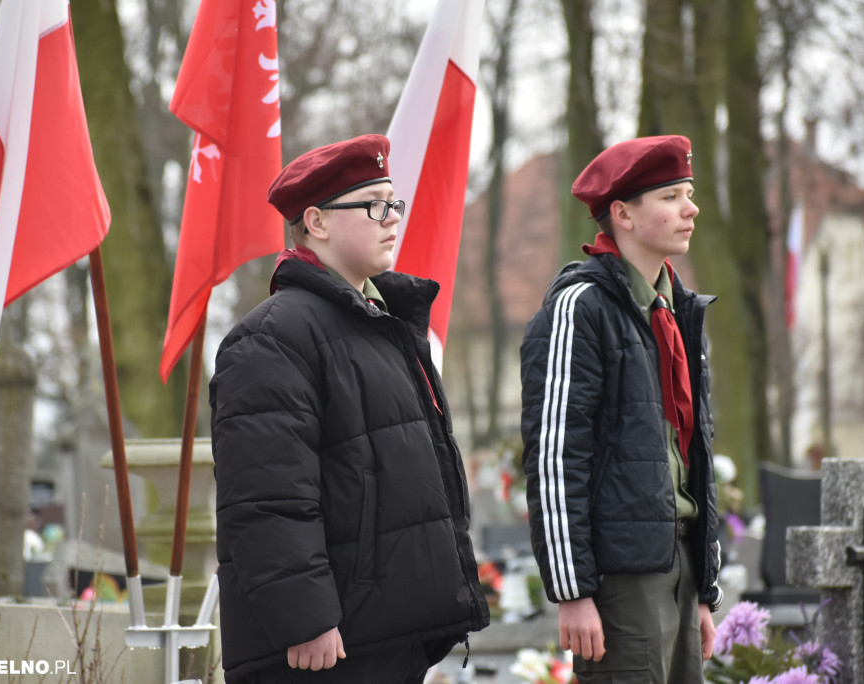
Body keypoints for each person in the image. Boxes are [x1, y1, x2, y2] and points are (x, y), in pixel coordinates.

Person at [210, 134, 489, 684]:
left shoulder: (384, 325)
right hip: (324, 648)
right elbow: (268, 499)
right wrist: (305, 618)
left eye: (395, 204)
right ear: (315, 222)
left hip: (384, 633)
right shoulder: (272, 338)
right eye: (374, 205)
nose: (392, 219)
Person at [519, 135, 722, 682]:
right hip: (621, 581)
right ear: (623, 214)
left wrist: (704, 586)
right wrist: (572, 591)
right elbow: (556, 458)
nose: (691, 208)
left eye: (690, 192)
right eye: (672, 196)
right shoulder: (580, 309)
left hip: (676, 564)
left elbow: (692, 453)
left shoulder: (679, 311)